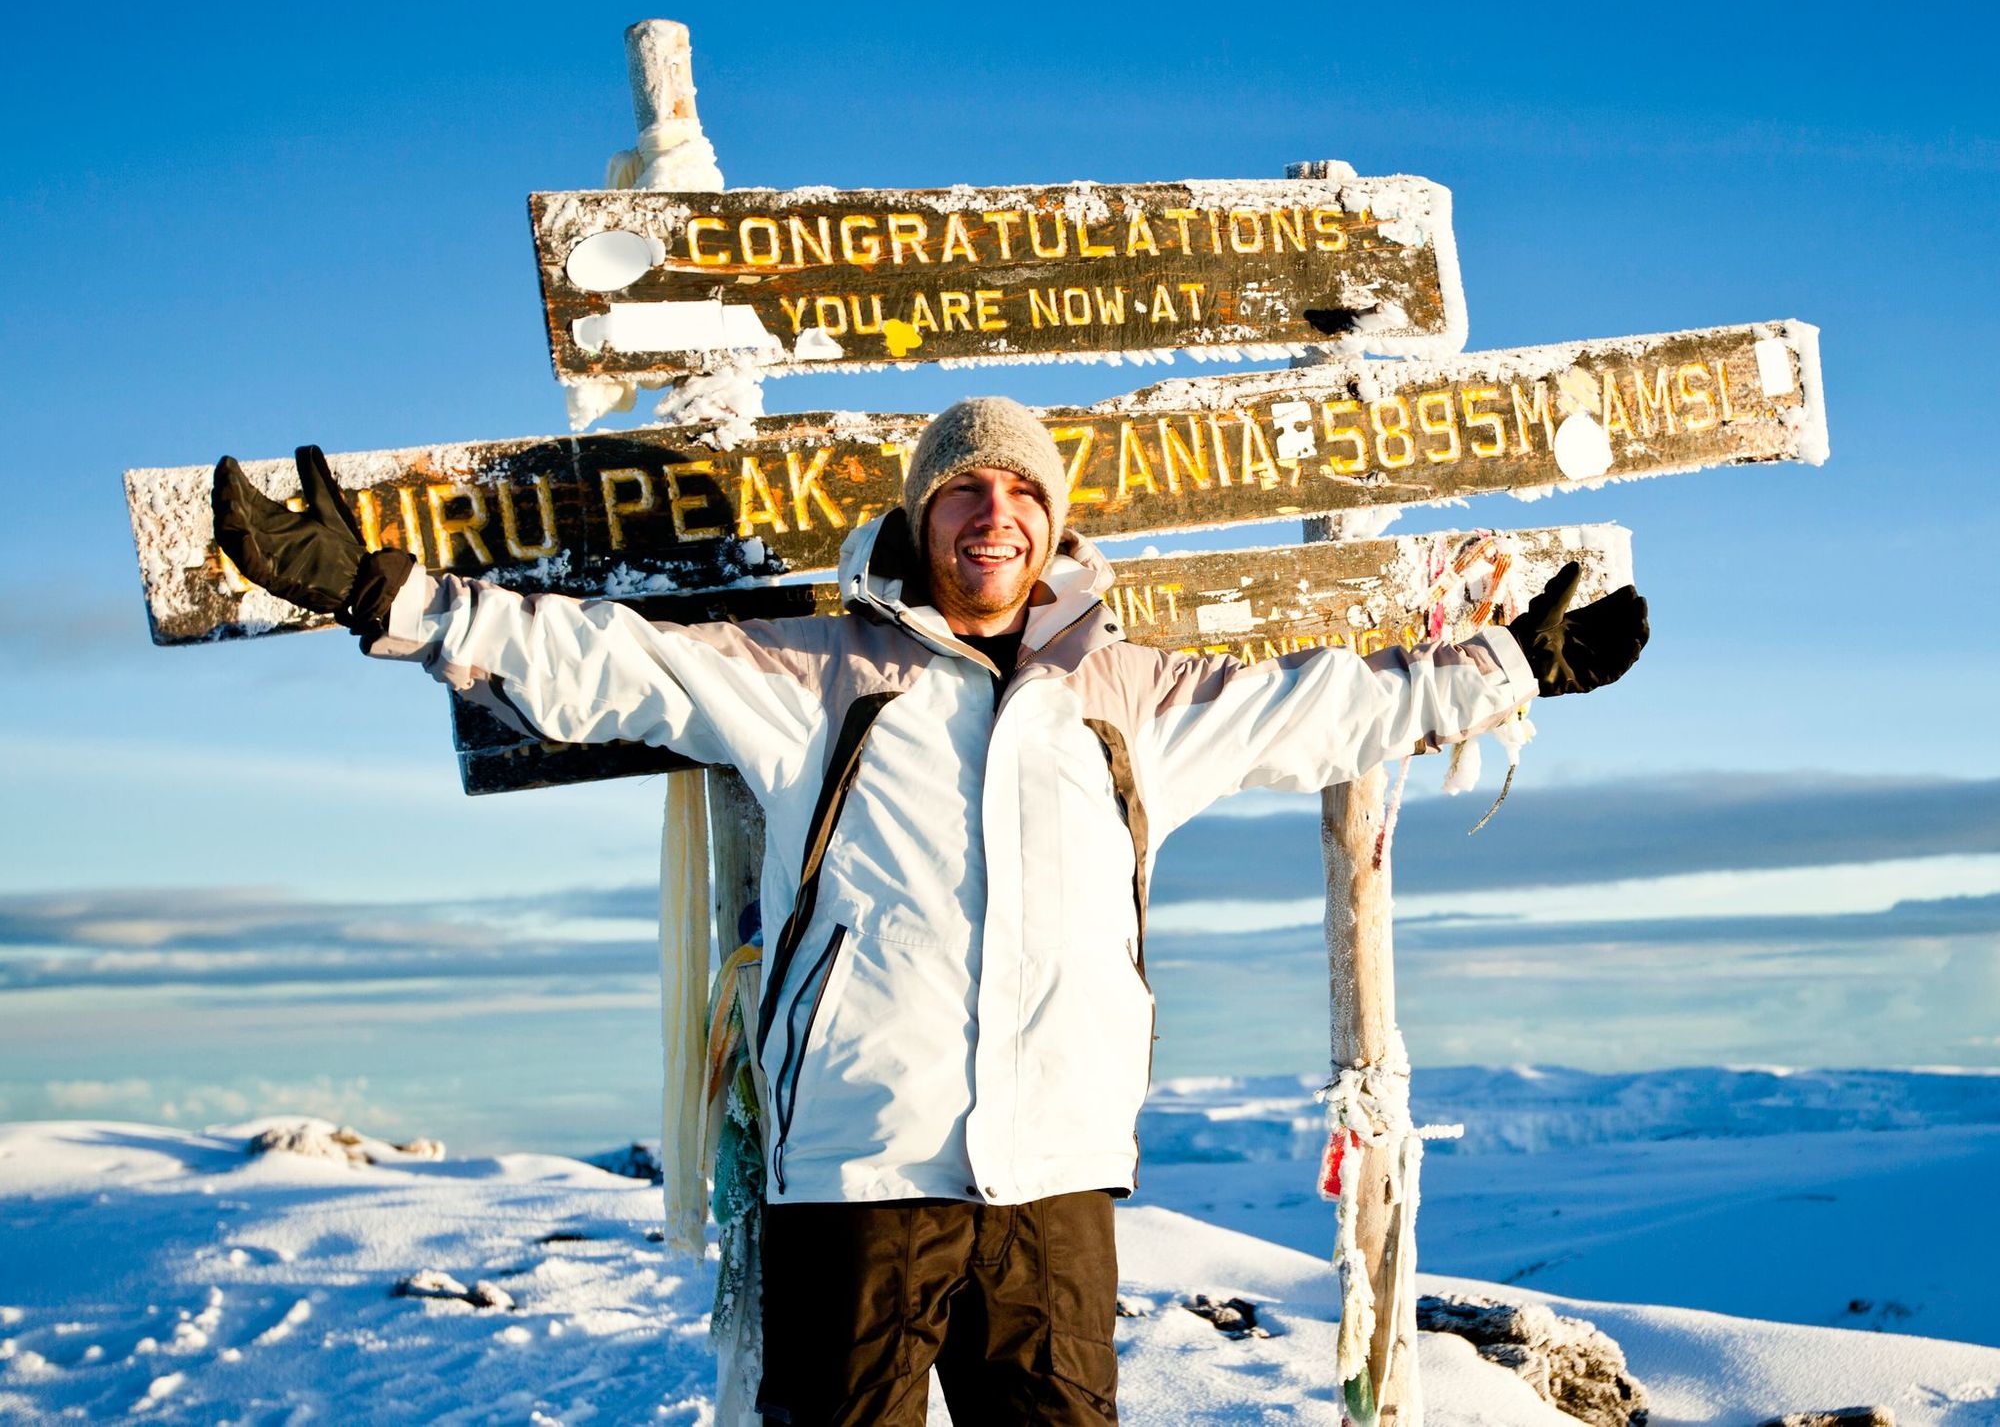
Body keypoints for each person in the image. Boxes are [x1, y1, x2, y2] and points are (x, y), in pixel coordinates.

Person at [213, 397, 1647, 1425]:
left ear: (1053, 528)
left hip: (1057, 1190)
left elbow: (1330, 706)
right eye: (967, 488)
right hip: (856, 1183)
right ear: (921, 515)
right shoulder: (822, 672)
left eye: (1024, 494)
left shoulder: (1127, 695)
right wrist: (389, 595)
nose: (997, 514)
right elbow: (604, 664)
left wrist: (1510, 670)